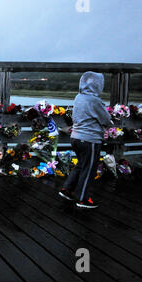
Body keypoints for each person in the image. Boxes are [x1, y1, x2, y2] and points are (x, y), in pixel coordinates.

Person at [58, 71, 113, 209]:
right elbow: (105, 119)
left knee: (81, 165)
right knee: (89, 169)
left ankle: (67, 189)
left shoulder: (79, 97)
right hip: (90, 140)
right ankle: (83, 199)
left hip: (75, 137)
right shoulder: (95, 101)